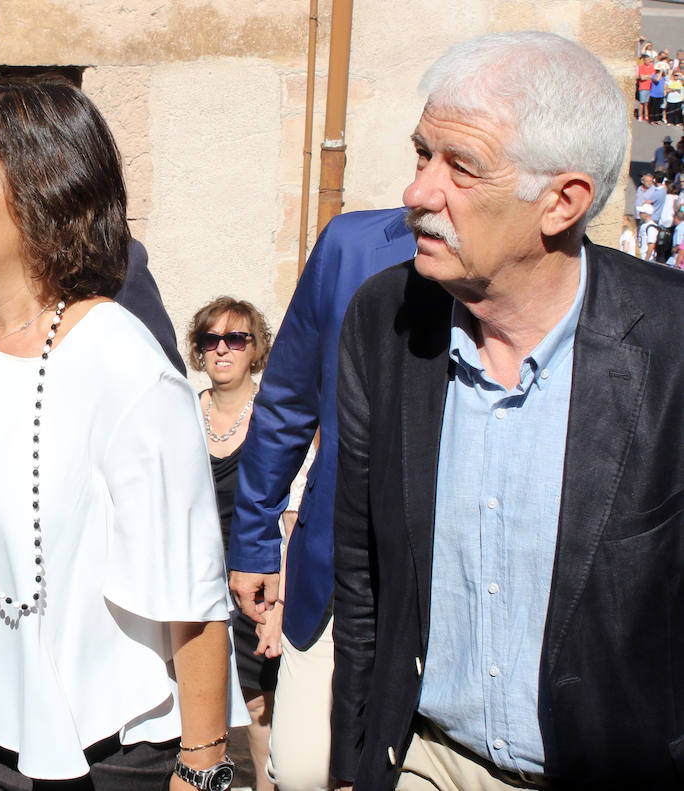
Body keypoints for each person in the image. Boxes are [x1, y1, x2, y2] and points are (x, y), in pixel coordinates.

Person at [0, 77, 245, 790]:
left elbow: (189, 595)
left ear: (42, 195)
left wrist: (203, 765)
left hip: (106, 747)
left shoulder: (126, 368)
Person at [333, 30, 684, 790]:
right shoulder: (385, 317)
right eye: (423, 154)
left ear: (562, 202)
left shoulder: (671, 346)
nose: (419, 192)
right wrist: (351, 763)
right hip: (424, 760)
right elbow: (363, 577)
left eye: (461, 168)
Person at [227, 208, 416, 791]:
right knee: (305, 768)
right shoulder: (351, 246)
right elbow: (286, 400)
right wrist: (256, 541)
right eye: (421, 154)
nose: (421, 183)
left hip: (432, 589)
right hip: (330, 574)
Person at [187, 297, 276, 791]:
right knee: (193, 695)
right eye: (210, 339)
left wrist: (278, 598)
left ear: (254, 348)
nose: (222, 349)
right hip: (193, 577)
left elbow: (292, 511)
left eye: (235, 338)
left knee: (257, 700)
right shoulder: (182, 410)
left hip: (250, 578)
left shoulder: (273, 419)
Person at [637, 55, 654, 121]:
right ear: (644, 61)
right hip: (643, 87)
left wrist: (646, 76)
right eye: (646, 60)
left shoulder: (652, 67)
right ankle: (640, 115)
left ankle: (646, 115)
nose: (647, 62)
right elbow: (642, 77)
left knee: (647, 103)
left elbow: (653, 76)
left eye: (649, 60)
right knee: (642, 102)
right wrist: (648, 76)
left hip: (650, 87)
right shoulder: (641, 67)